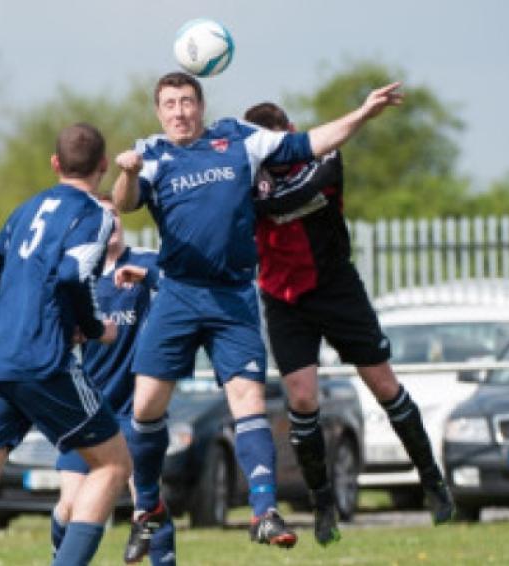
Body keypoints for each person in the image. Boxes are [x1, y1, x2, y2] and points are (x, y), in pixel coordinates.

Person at [112, 70, 402, 561]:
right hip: (179, 296)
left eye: (187, 102)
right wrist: (126, 170)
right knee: (144, 409)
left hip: (232, 299)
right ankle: (148, 511)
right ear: (159, 112)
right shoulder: (153, 155)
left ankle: (264, 512)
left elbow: (310, 143)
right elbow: (125, 202)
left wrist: (362, 114)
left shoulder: (239, 139)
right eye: (170, 104)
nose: (180, 112)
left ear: (201, 106)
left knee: (247, 403)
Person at [0, 123, 131, 566]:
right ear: (104, 166)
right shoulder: (96, 215)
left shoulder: (25, 209)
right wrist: (91, 328)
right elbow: (73, 274)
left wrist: (22, 310)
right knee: (113, 465)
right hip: (40, 359)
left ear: (55, 164)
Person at [243, 102, 454, 545]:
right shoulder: (248, 171)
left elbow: (288, 199)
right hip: (283, 300)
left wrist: (255, 195)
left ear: (293, 133)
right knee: (301, 398)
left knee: (383, 386)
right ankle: (323, 506)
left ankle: (432, 479)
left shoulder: (325, 158)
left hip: (337, 289)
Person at [51, 198, 176, 566]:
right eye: (99, 218)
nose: (110, 223)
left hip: (134, 405)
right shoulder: (76, 272)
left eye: (114, 215)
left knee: (146, 501)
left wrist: (149, 278)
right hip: (88, 406)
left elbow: (184, 286)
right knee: (69, 506)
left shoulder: (146, 261)